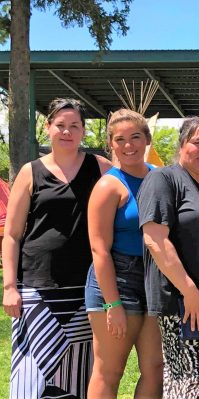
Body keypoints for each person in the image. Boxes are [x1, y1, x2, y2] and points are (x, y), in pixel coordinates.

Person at [2, 98, 111, 399]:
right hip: (36, 288)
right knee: (31, 374)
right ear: (48, 127)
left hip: (84, 288)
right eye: (60, 125)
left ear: (83, 131)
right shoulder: (30, 171)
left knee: (77, 372)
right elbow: (11, 234)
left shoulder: (99, 167)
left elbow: (138, 178)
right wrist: (10, 286)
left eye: (74, 126)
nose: (67, 131)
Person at [138, 116, 199, 399]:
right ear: (182, 144)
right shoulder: (164, 179)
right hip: (183, 301)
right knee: (191, 385)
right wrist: (189, 290)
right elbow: (155, 239)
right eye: (197, 143)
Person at [85, 109, 162, 398]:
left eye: (135, 137)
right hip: (117, 280)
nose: (128, 145)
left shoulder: (160, 176)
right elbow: (99, 249)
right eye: (120, 139)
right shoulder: (108, 186)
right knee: (110, 370)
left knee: (156, 368)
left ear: (147, 140)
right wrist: (112, 304)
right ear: (111, 144)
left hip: (154, 280)